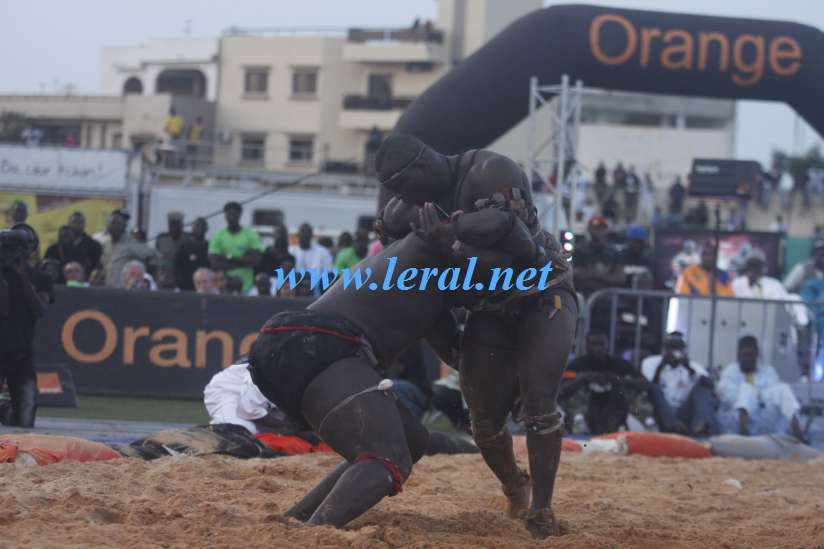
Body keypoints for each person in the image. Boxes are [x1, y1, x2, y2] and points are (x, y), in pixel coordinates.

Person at [375, 134, 576, 537]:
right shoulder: (401, 213)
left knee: (538, 403)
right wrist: (452, 349)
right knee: (482, 420)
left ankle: (542, 509)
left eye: (400, 187)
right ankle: (515, 486)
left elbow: (517, 250)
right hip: (487, 305)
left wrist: (452, 243)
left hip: (541, 289)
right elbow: (422, 287)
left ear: (419, 167)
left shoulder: (490, 171)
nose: (398, 197)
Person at [0, 225, 53, 427]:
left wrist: (21, 275)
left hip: (21, 354)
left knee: (25, 419)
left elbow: (40, 309)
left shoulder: (40, 277)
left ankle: (5, 410)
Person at [717, 336, 804, 440]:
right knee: (747, 389)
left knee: (783, 388)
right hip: (737, 415)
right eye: (745, 355)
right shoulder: (730, 371)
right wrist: (751, 396)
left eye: (751, 355)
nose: (748, 358)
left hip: (762, 414)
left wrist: (757, 397)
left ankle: (797, 429)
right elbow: (726, 395)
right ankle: (743, 433)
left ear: (757, 355)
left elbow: (773, 393)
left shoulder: (768, 371)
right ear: (738, 356)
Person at [561, 332, 647, 435]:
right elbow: (561, 389)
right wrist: (583, 377)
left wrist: (618, 380)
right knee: (574, 391)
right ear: (586, 346)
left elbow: (644, 383)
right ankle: (578, 421)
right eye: (593, 344)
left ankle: (640, 424)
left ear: (607, 346)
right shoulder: (577, 364)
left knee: (633, 393)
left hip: (613, 405)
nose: (597, 348)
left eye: (601, 344)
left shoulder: (618, 364)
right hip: (585, 406)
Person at [640, 332, 718, 436]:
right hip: (660, 412)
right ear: (664, 348)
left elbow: (709, 385)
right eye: (671, 347)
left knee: (703, 388)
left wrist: (689, 368)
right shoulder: (651, 362)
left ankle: (699, 426)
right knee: (654, 387)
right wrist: (661, 366)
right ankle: (675, 426)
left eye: (678, 347)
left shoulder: (693, 365)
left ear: (684, 349)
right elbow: (650, 387)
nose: (674, 351)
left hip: (684, 411)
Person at [208, 202, 263, 293]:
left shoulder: (250, 235)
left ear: (240, 215)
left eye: (235, 214)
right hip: (223, 289)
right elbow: (214, 264)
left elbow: (255, 260)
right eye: (229, 214)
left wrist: (228, 258)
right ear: (225, 216)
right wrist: (243, 260)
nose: (232, 217)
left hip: (247, 288)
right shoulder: (218, 236)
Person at [98, 210, 160, 289]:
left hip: (123, 290)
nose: (115, 227)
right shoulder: (106, 244)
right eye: (113, 223)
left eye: (118, 224)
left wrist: (147, 277)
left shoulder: (131, 244)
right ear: (108, 225)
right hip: (107, 288)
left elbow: (155, 256)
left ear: (124, 227)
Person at [573, 216, 623, 297]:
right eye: (595, 228)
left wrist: (593, 275)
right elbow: (576, 274)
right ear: (589, 229)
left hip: (608, 298)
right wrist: (605, 277)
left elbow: (620, 278)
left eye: (601, 228)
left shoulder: (614, 252)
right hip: (584, 295)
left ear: (606, 230)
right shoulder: (580, 250)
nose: (598, 231)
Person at [174, 217, 209, 291]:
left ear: (206, 229)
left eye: (202, 226)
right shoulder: (185, 246)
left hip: (204, 286)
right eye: (197, 225)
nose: (199, 228)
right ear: (192, 228)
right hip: (186, 286)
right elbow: (177, 265)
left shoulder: (209, 246)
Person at [68, 212, 102, 276]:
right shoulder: (63, 244)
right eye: (74, 222)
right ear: (69, 223)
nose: (77, 225)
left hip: (85, 283)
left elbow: (96, 268)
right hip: (62, 284)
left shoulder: (94, 245)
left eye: (80, 222)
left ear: (84, 224)